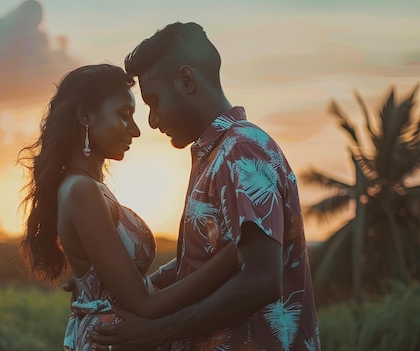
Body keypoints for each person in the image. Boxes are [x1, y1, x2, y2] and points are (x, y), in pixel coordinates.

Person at [87, 22, 320, 351]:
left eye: (153, 101)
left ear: (186, 80)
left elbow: (261, 279)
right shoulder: (218, 155)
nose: (152, 121)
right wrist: (117, 286)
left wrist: (154, 332)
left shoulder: (242, 151)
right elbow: (209, 262)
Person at [17, 63, 240, 351]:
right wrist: (233, 255)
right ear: (85, 115)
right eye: (124, 115)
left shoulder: (89, 188)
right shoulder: (81, 191)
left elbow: (132, 288)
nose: (135, 130)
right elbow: (144, 304)